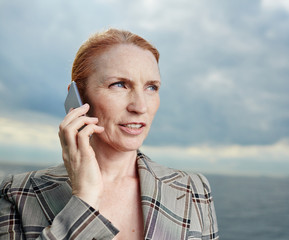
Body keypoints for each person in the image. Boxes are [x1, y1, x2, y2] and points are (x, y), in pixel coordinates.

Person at [0, 29, 219, 239]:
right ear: (77, 98)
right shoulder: (17, 193)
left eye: (151, 87)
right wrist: (84, 198)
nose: (140, 106)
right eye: (119, 85)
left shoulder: (194, 188)